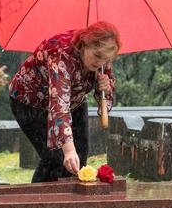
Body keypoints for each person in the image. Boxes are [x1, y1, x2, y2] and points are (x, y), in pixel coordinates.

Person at [9, 21, 120, 182]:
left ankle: (70, 204)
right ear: (84, 44)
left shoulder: (102, 58)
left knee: (79, 159)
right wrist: (68, 150)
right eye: (97, 56)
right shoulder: (61, 53)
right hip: (31, 102)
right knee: (55, 158)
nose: (100, 63)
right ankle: (38, 203)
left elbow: (105, 87)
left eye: (106, 59)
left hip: (75, 101)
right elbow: (59, 105)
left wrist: (105, 87)